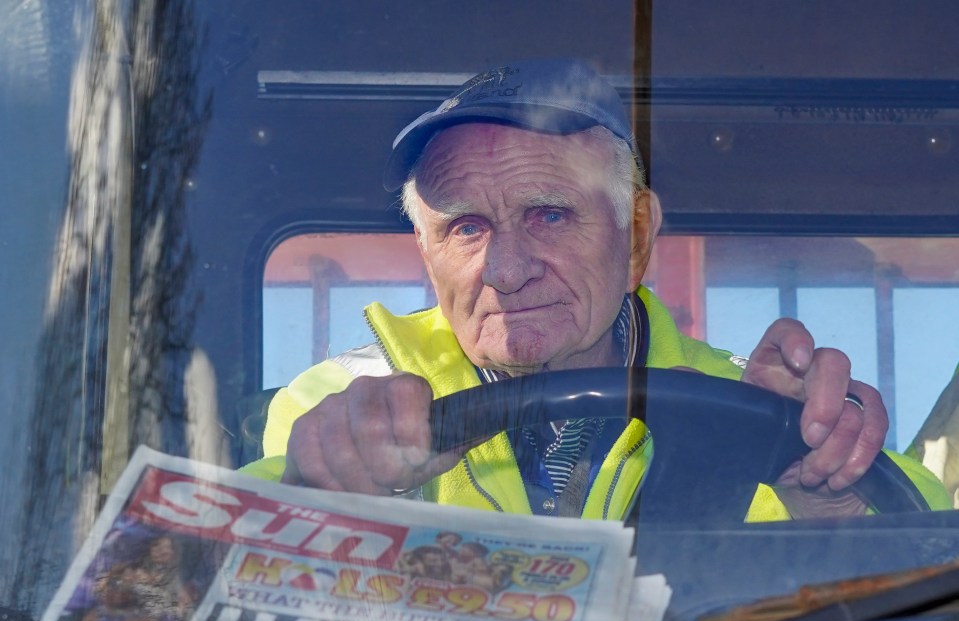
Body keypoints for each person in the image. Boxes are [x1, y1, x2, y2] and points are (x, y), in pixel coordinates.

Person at [243, 59, 947, 521]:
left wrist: (827, 489)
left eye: (547, 215)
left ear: (637, 234)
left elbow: (927, 542)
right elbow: (213, 561)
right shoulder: (340, 398)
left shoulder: (756, 407)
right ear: (425, 254)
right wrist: (317, 486)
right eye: (464, 227)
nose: (505, 269)